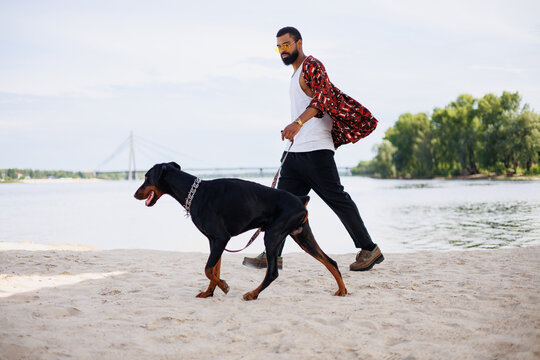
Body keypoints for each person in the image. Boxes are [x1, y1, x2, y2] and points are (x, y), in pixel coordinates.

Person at [243, 26, 383, 271]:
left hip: (316, 151)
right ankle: (272, 255)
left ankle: (369, 249)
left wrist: (297, 123)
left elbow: (323, 100)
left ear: (299, 42)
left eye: (287, 45)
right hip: (295, 153)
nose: (283, 51)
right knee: (281, 205)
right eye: (279, 47)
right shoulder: (295, 74)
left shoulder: (312, 65)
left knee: (337, 199)